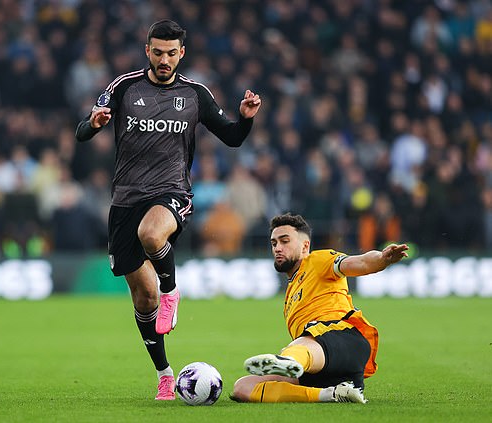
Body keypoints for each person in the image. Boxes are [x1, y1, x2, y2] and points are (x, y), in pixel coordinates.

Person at [75, 19, 261, 401]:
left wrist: (245, 117)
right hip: (125, 201)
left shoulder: (195, 95)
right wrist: (92, 124)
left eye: (171, 53)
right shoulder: (123, 87)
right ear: (147, 50)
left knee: (152, 234)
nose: (164, 59)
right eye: (157, 52)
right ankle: (164, 374)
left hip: (172, 192)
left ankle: (172, 292)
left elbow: (232, 138)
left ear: (182, 54)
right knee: (144, 298)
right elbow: (82, 131)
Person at [231, 213, 408, 404]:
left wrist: (382, 258)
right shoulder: (290, 294)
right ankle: (331, 394)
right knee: (243, 387)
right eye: (274, 243)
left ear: (305, 246)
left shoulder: (317, 260)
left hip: (343, 340)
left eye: (284, 241)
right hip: (323, 366)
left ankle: (290, 360)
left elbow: (360, 262)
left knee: (300, 344)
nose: (278, 248)